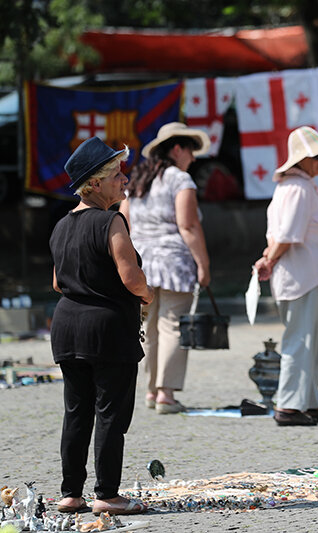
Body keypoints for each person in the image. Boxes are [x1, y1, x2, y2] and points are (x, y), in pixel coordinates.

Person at [50, 137, 153, 516]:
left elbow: (58, 283)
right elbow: (131, 277)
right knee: (111, 412)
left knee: (76, 412)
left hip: (67, 327)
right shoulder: (111, 220)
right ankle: (107, 494)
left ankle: (70, 494)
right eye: (116, 175)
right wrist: (147, 295)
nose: (124, 180)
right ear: (94, 184)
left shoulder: (62, 225)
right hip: (107, 329)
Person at [253, 126, 318, 427]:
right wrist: (271, 258)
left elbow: (284, 236)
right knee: (301, 341)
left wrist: (269, 257)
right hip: (303, 277)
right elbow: (287, 235)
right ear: (301, 159)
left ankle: (308, 400)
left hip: (309, 276)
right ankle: (289, 405)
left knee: (313, 341)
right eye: (316, 155)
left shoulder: (299, 186)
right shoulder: (297, 188)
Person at [119, 122, 211, 414]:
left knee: (148, 327)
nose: (193, 158)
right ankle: (166, 394)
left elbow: (125, 222)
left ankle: (150, 390)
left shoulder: (137, 180)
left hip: (142, 263)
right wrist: (203, 263)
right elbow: (188, 225)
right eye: (191, 151)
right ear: (177, 149)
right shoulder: (180, 180)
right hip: (174, 262)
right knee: (173, 326)